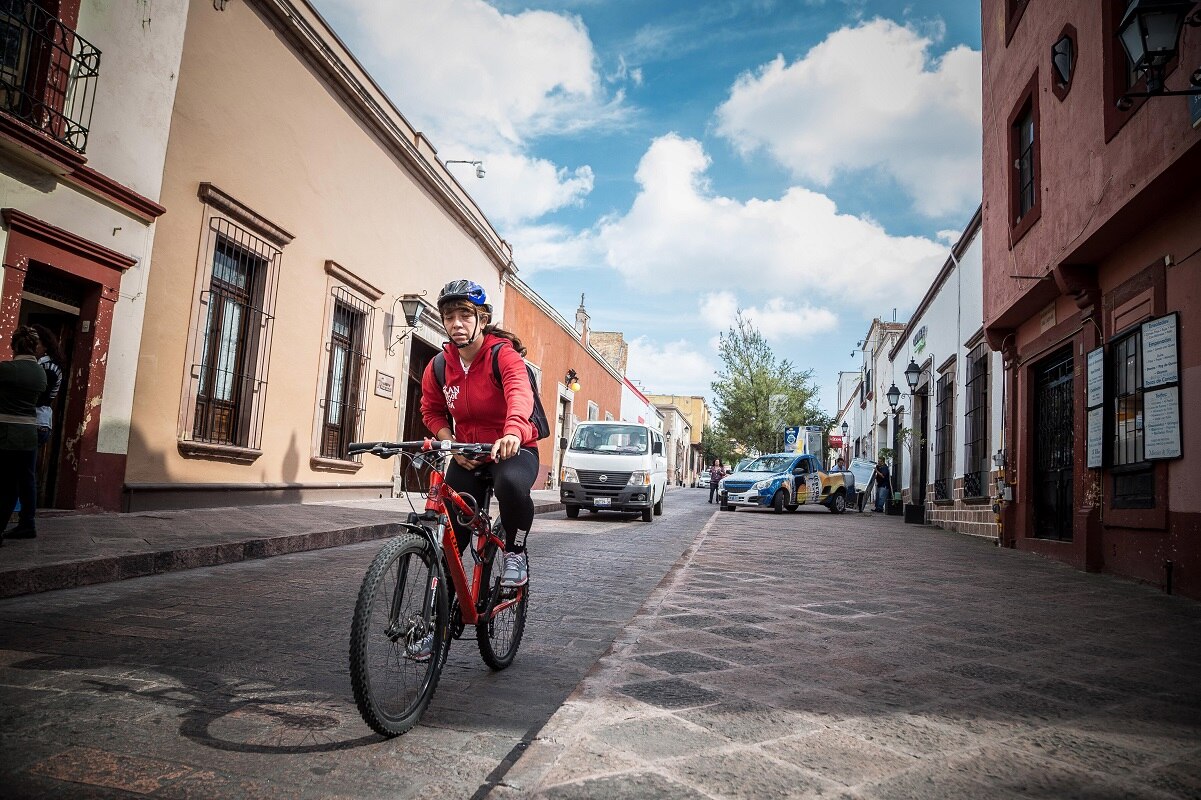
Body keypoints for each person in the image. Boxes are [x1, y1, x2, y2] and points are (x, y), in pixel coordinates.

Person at [420, 279, 538, 592]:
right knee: (452, 534)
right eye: (449, 317)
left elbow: (519, 393)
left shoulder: (503, 356)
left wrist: (512, 431)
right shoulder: (438, 367)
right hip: (468, 454)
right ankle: (442, 609)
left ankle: (515, 552)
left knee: (510, 484)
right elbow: (431, 411)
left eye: (465, 315)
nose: (456, 323)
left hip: (512, 448)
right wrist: (453, 444)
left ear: (482, 319)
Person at [0, 326, 47, 542]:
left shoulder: (8, 369)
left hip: (7, 432)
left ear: (13, 345)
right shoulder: (40, 373)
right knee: (24, 481)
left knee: (6, 483)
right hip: (29, 432)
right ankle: (27, 522)